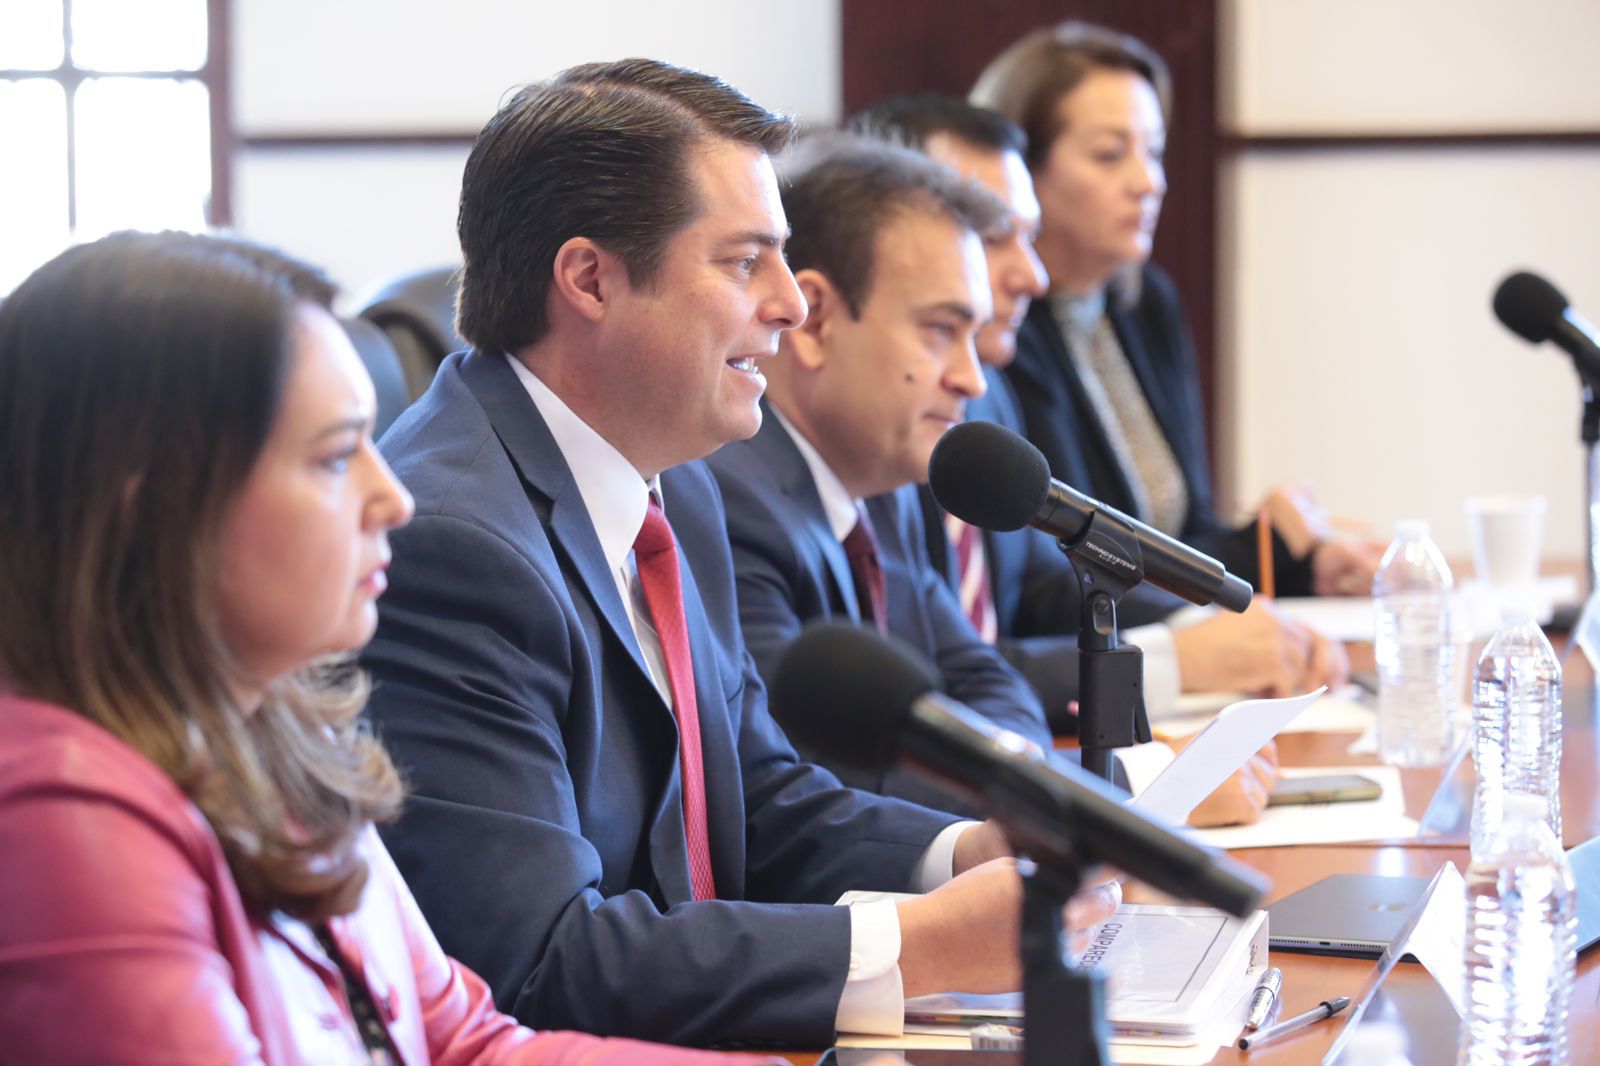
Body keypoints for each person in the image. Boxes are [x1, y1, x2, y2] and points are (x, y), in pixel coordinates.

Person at [360, 59, 1119, 1050]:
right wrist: (920, 944)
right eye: (743, 262)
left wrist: (964, 850)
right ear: (589, 279)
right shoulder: (450, 546)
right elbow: (538, 962)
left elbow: (756, 801)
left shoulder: (679, 485)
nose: (791, 304)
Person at [0, 231, 767, 1065]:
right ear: (151, 513)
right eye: (336, 457)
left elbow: (466, 1043)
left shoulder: (283, 739)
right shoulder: (63, 819)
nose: (392, 496)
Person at [708, 132, 1274, 828]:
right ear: (817, 321)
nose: (971, 381)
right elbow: (814, 780)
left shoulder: (879, 488)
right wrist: (1119, 785)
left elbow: (983, 677)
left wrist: (1016, 779)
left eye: (973, 337)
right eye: (940, 331)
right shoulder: (730, 504)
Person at [845, 94, 1347, 723]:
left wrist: (1209, 628)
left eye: (1028, 237)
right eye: (991, 237)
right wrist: (1174, 662)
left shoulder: (986, 388)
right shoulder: (873, 422)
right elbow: (935, 680)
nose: (1031, 275)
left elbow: (1040, 588)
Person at [971, 22, 1384, 597]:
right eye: (1110, 154)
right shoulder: (1000, 329)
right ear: (1021, 170)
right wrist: (1258, 547)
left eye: (1155, 152)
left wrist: (1294, 562)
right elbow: (1077, 560)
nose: (1149, 182)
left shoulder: (1147, 305)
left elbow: (1186, 532)